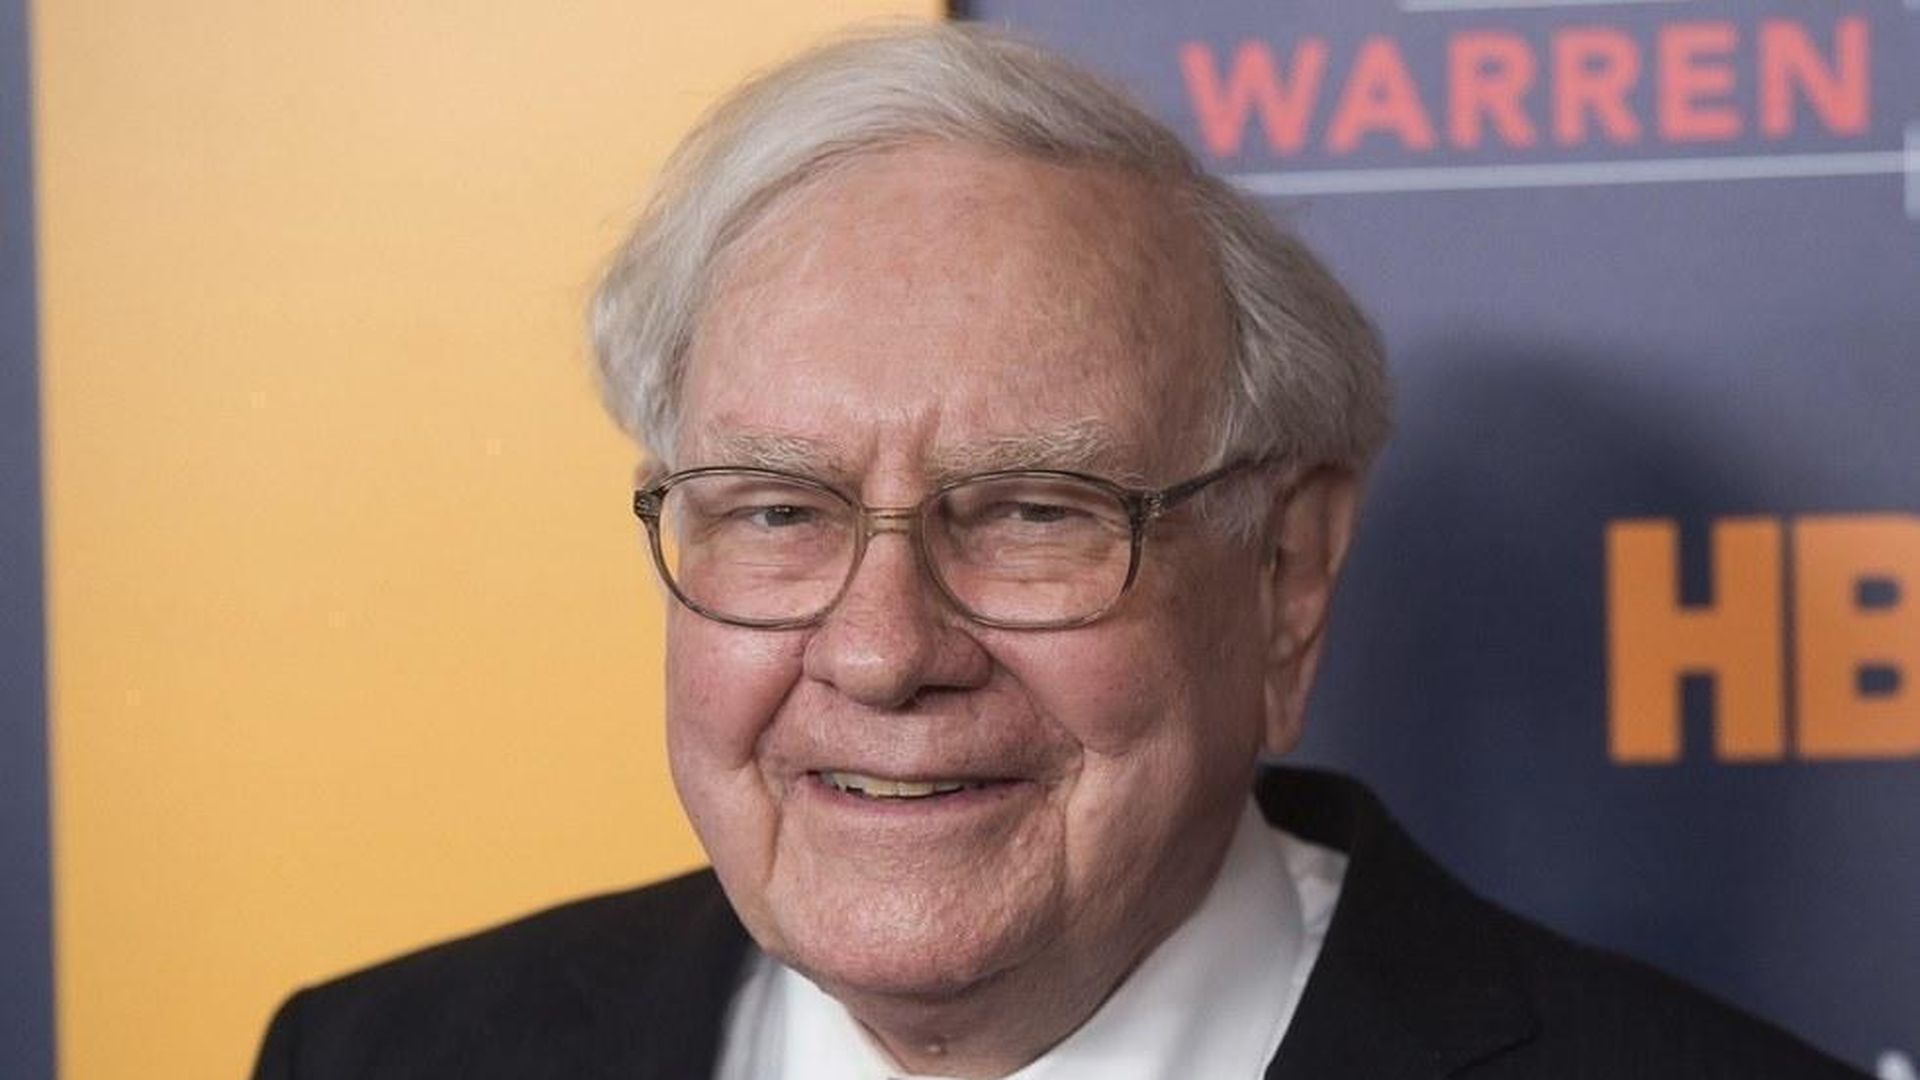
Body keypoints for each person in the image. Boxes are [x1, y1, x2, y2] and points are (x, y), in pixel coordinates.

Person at [250, 23, 1863, 1080]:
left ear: (1285, 580)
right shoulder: (383, 1057)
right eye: (779, 510)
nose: (882, 652)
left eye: (1034, 512)